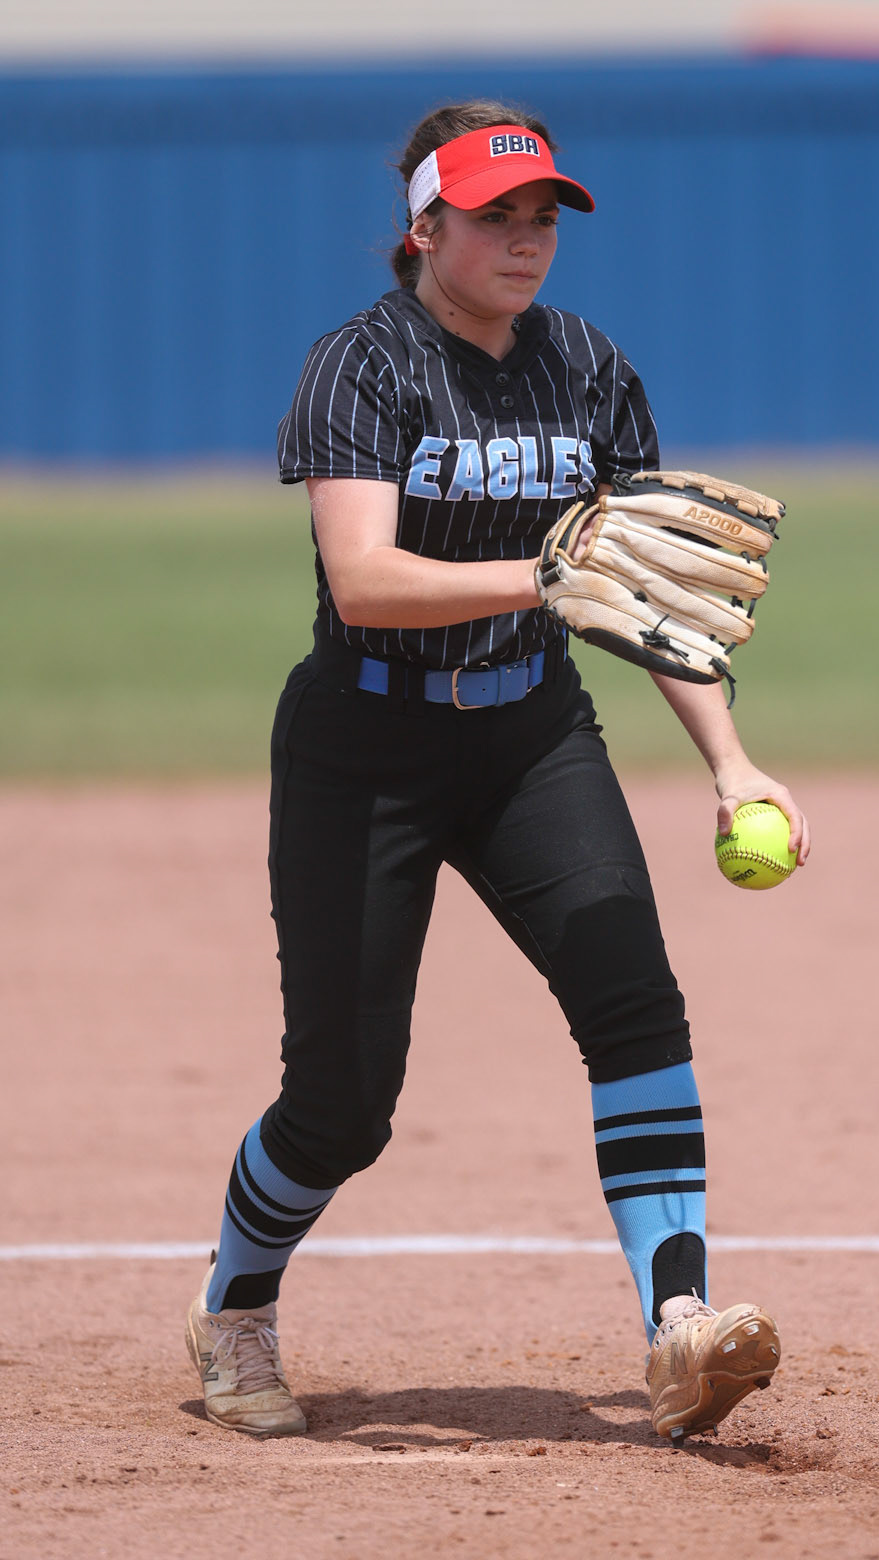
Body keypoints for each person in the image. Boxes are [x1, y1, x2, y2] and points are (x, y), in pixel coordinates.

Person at [184, 98, 810, 1444]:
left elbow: (651, 594)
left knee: (634, 1006)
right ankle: (235, 1305)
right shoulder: (361, 366)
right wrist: (542, 572)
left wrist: (730, 763)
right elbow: (363, 582)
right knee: (341, 1105)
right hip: (366, 749)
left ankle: (679, 1327)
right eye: (494, 217)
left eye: (542, 218)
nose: (526, 241)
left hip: (531, 730)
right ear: (424, 228)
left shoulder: (586, 366)